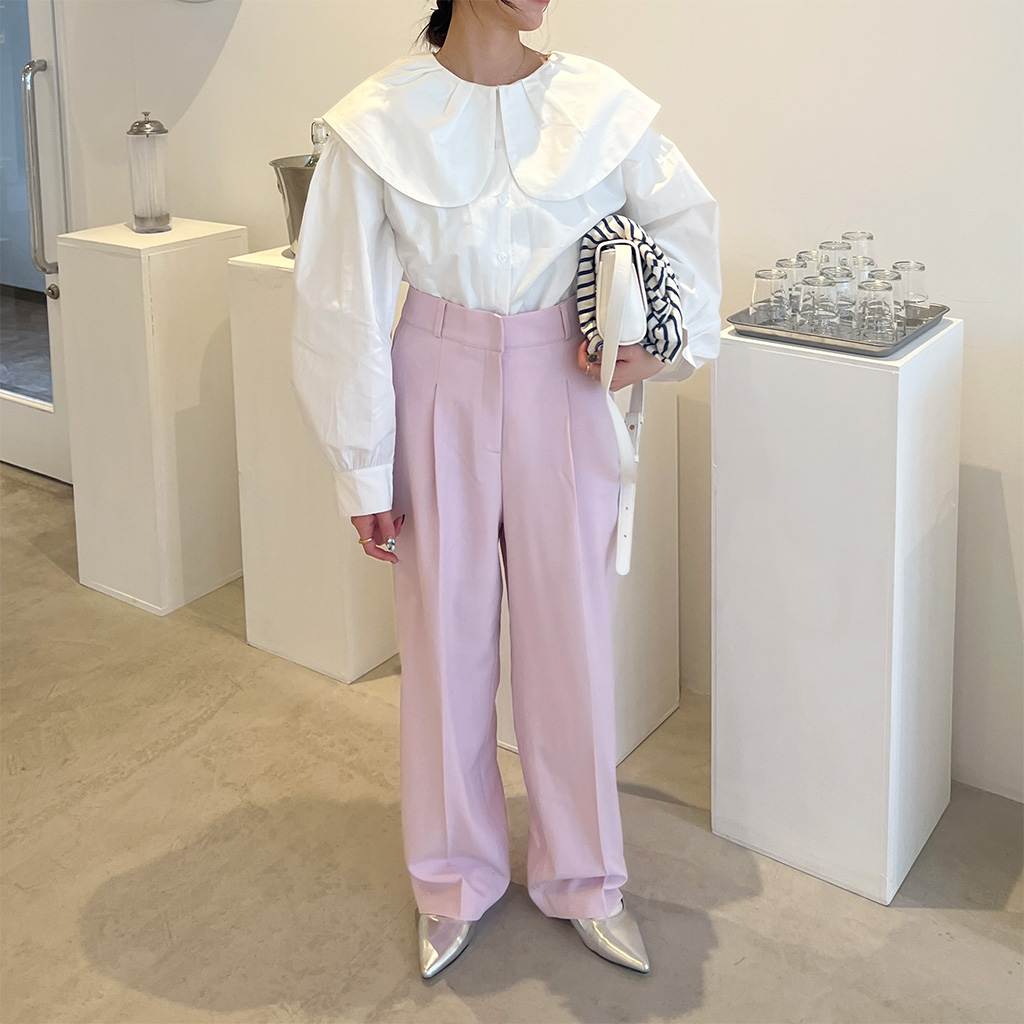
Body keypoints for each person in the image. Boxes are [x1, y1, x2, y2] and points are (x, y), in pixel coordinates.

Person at [290, 0, 722, 980]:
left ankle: (586, 876)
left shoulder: (596, 103)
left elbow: (686, 227)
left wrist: (661, 345)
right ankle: (452, 878)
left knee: (572, 638)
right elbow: (340, 299)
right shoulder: (376, 118)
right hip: (434, 371)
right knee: (442, 643)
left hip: (561, 377)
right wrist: (361, 460)